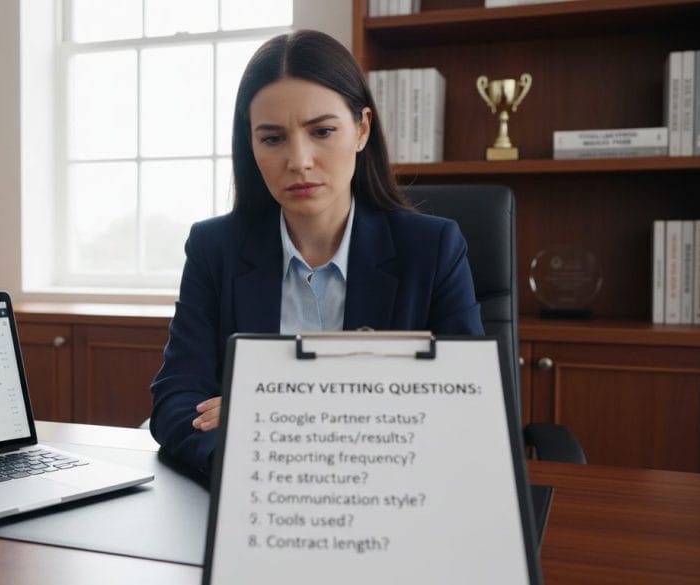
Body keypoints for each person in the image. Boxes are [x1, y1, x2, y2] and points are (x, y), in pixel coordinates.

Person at [149, 29, 483, 477]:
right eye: (272, 139)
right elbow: (176, 401)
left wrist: (272, 411)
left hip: (396, 496)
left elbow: (462, 406)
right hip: (250, 497)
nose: (299, 160)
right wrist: (253, 475)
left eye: (322, 131)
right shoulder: (215, 249)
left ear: (362, 129)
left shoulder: (433, 248)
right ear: (250, 145)